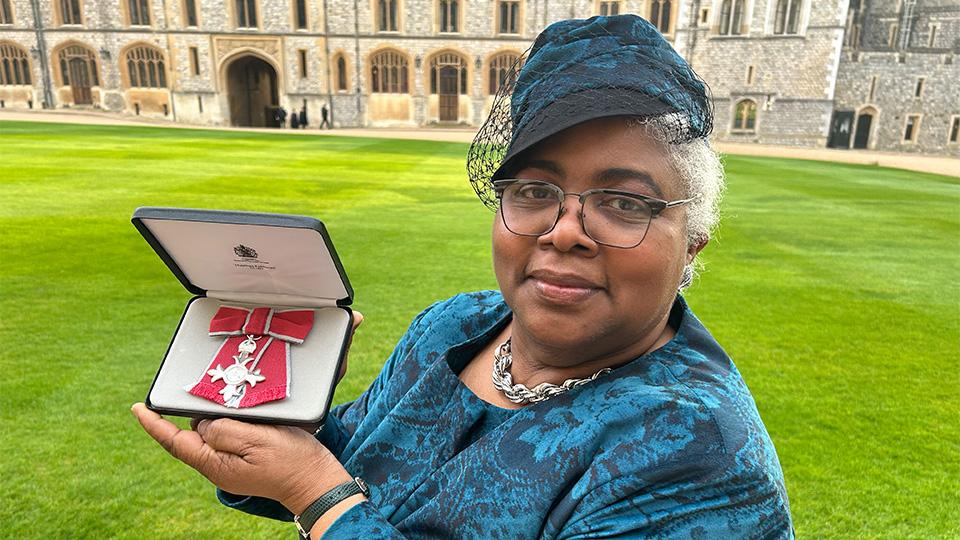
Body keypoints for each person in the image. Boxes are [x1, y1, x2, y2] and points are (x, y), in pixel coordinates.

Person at [133, 15, 794, 538]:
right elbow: (358, 459)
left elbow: (331, 491)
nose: (564, 230)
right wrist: (288, 429)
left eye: (624, 203)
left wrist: (318, 496)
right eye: (535, 190)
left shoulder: (700, 455)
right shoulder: (453, 326)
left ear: (692, 246)